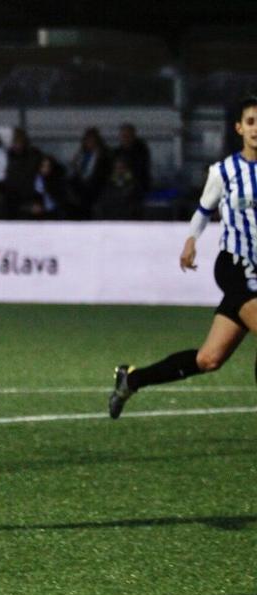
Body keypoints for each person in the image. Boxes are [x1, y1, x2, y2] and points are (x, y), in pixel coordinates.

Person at [109, 95, 257, 419]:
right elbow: (204, 210)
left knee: (209, 359)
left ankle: (131, 379)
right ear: (239, 128)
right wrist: (191, 241)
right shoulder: (225, 171)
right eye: (250, 122)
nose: (256, 128)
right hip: (235, 265)